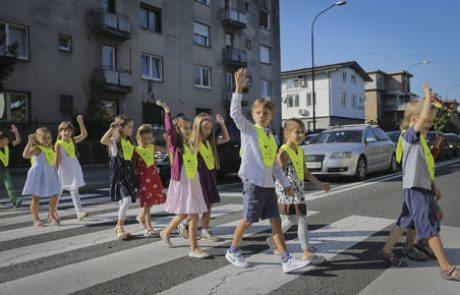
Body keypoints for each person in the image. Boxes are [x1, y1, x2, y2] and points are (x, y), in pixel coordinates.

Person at [225, 68, 311, 274]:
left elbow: (273, 165)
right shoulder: (249, 131)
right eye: (258, 113)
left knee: (276, 223)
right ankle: (232, 250)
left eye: (266, 113)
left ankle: (286, 259)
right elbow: (234, 114)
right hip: (253, 184)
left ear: (271, 115)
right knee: (248, 220)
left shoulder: (272, 138)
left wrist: (287, 184)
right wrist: (238, 89)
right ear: (252, 115)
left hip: (268, 185)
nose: (262, 116)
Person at [382, 82, 460, 282]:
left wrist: (433, 186)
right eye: (428, 122)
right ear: (415, 120)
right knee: (430, 226)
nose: (430, 125)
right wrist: (427, 95)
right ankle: (445, 268)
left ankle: (387, 249)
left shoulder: (419, 140)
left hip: (419, 188)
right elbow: (423, 117)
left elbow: (423, 167)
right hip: (415, 190)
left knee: (404, 222)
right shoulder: (409, 136)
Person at [267, 118, 330, 265]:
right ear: (287, 133)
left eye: (303, 132)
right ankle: (306, 251)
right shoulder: (283, 151)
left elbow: (306, 173)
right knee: (302, 219)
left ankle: (272, 239)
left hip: (298, 190)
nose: (301, 135)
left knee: (292, 219)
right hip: (288, 192)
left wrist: (320, 184)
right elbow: (277, 173)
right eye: (297, 132)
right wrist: (285, 188)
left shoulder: (300, 150)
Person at [156, 100, 210, 259]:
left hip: (192, 182)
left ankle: (165, 232)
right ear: (176, 129)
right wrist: (167, 110)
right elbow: (169, 132)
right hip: (182, 183)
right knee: (193, 215)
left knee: (185, 214)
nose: (187, 130)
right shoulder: (175, 145)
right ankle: (194, 248)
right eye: (183, 128)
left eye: (188, 127)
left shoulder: (191, 144)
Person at [177, 113, 230, 241]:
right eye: (205, 128)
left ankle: (204, 230)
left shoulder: (209, 141)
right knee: (201, 205)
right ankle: (183, 223)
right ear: (197, 127)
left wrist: (222, 124)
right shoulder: (192, 141)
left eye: (210, 128)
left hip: (210, 175)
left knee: (208, 204)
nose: (208, 131)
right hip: (198, 177)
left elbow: (226, 139)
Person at [100, 115, 137, 240]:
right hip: (119, 177)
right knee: (126, 200)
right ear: (122, 128)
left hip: (128, 175)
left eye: (132, 127)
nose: (132, 129)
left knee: (123, 202)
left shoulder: (129, 142)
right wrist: (112, 128)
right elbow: (103, 140)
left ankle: (120, 227)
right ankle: (119, 226)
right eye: (130, 127)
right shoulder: (115, 141)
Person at [22, 127, 61, 227]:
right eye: (44, 138)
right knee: (36, 197)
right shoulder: (37, 149)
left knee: (55, 194)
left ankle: (51, 215)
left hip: (50, 174)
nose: (47, 140)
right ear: (37, 138)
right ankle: (36, 219)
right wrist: (30, 142)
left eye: (48, 137)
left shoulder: (51, 148)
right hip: (38, 175)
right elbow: (25, 155)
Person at [133, 123, 167, 237]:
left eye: (149, 138)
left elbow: (167, 150)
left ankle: (141, 216)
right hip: (143, 179)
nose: (147, 141)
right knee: (147, 202)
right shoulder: (136, 150)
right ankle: (148, 227)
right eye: (144, 139)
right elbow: (132, 165)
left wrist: (167, 139)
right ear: (138, 138)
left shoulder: (153, 147)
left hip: (153, 177)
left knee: (152, 200)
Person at [55, 115, 89, 220]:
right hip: (63, 170)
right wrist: (54, 172)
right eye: (64, 131)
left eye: (68, 131)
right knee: (57, 192)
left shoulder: (72, 141)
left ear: (71, 132)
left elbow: (84, 134)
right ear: (60, 132)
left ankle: (79, 213)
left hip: (73, 168)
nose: (66, 133)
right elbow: (57, 159)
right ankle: (52, 211)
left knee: (75, 191)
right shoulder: (58, 144)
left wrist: (80, 122)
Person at [0, 125, 22, 208]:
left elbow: (18, 141)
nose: (8, 140)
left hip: (4, 171)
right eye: (5, 139)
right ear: (0, 141)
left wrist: (16, 131)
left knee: (9, 186)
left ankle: (15, 201)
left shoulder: (7, 146)